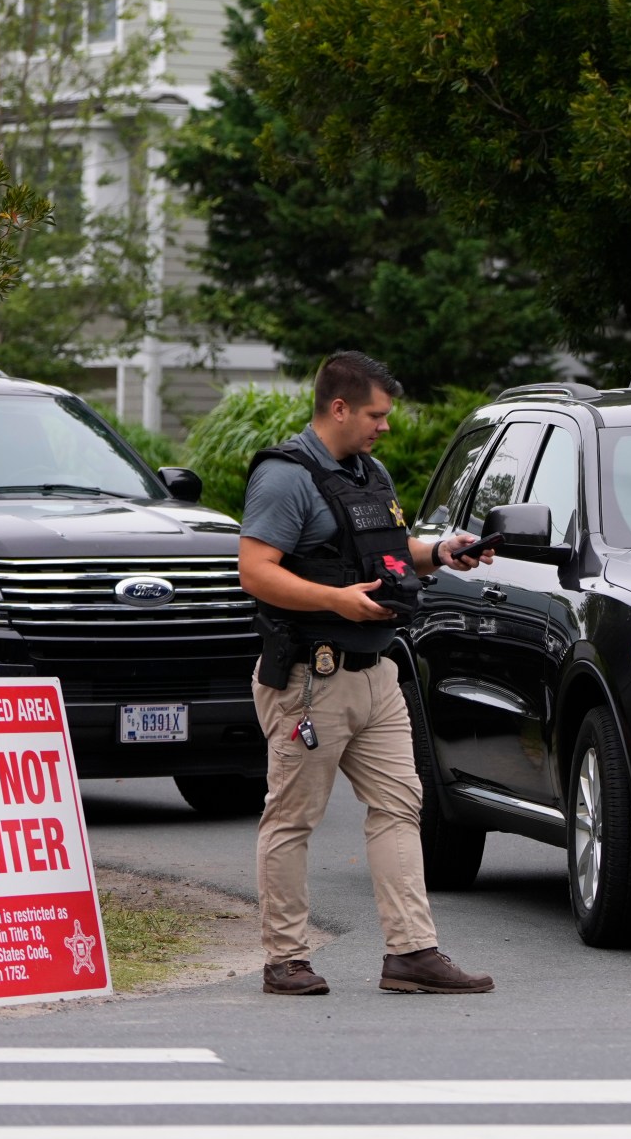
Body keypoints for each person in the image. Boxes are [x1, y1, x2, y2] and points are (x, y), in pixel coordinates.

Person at [238, 351, 496, 996]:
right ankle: (285, 960)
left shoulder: (367, 472)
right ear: (340, 407)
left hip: (377, 672)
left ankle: (412, 953)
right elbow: (256, 570)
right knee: (293, 817)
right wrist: (336, 600)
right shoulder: (285, 476)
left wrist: (439, 553)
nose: (385, 426)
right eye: (377, 415)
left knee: (399, 806)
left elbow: (376, 551)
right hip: (310, 675)